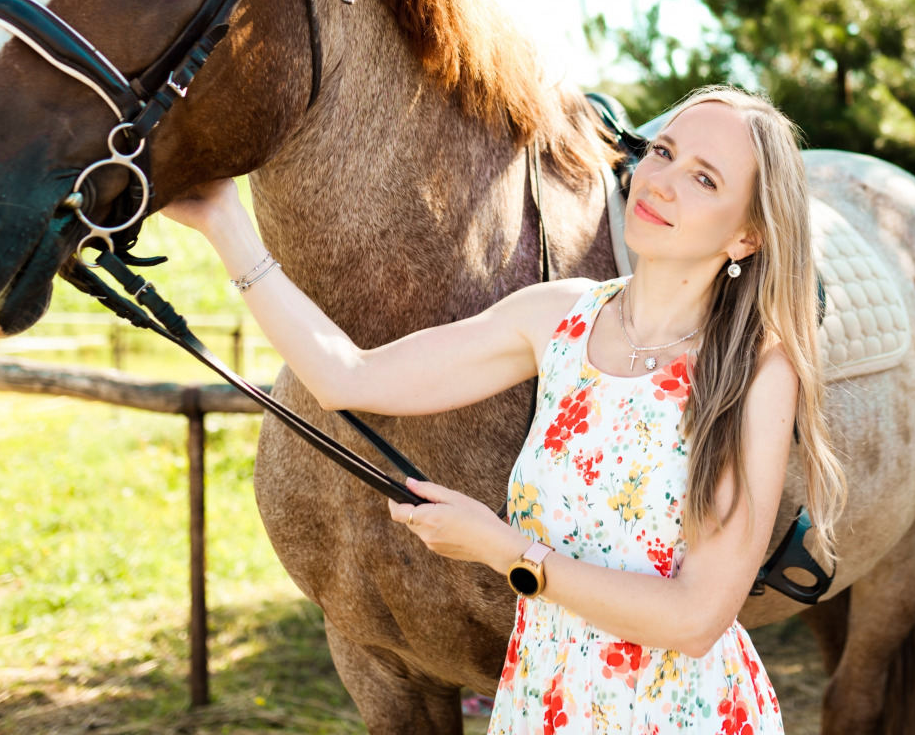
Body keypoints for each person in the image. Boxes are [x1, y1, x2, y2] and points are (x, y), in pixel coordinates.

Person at [161, 85, 845, 734]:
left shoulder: (754, 368)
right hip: (539, 706)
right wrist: (227, 226)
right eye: (662, 152)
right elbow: (348, 377)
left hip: (681, 715)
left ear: (747, 236)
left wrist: (501, 549)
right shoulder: (558, 319)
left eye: (705, 178)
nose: (662, 181)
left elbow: (696, 618)